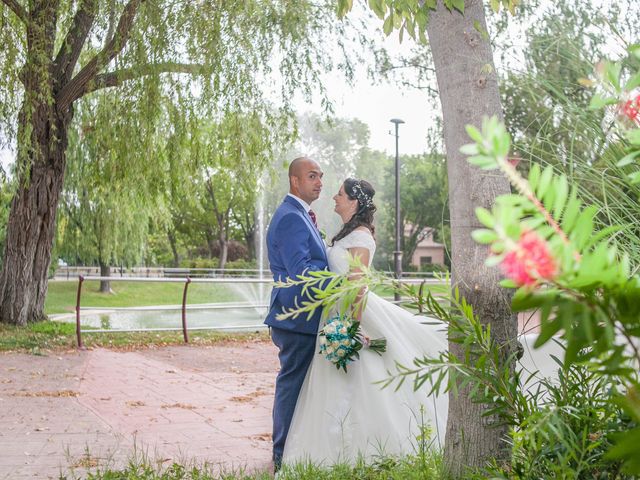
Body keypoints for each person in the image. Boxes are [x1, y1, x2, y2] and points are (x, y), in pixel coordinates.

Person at [281, 178, 561, 466]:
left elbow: (359, 284)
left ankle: (352, 447)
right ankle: (330, 446)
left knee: (362, 377)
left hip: (354, 313)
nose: (334, 198)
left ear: (354, 201)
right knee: (341, 378)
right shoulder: (345, 235)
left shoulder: (361, 237)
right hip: (335, 312)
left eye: (340, 194)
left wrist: (352, 326)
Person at [264, 156, 327, 471]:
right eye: (312, 176)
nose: (319, 182)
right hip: (296, 317)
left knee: (300, 385)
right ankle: (281, 457)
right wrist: (337, 276)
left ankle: (294, 452)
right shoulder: (291, 217)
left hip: (303, 317)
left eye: (321, 176)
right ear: (295, 181)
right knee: (292, 385)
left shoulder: (302, 216)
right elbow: (301, 272)